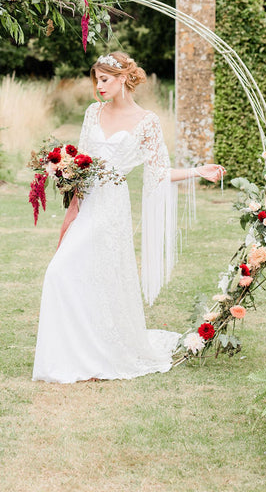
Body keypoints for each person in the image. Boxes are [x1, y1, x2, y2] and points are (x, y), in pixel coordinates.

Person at [32, 51, 226, 383]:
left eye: (104, 79)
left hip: (113, 207)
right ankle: (75, 352)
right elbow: (79, 162)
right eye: (96, 79)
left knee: (98, 276)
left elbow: (159, 172)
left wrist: (196, 170)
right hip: (88, 202)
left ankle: (100, 353)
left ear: (123, 79)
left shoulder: (147, 122)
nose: (98, 86)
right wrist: (69, 197)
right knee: (62, 273)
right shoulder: (93, 113)